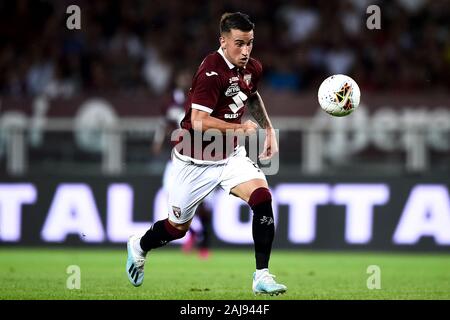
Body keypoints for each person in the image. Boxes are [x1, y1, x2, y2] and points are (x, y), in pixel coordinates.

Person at [126, 12, 287, 295]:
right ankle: (139, 245)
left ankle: (261, 275)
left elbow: (251, 94)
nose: (246, 50)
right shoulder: (211, 71)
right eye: (239, 43)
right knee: (177, 229)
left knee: (262, 198)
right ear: (223, 41)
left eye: (250, 43)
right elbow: (199, 121)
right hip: (193, 162)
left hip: (229, 157)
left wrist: (269, 129)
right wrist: (238, 128)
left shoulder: (252, 68)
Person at [152, 69, 213, 259]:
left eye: (188, 77)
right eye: (183, 76)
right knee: (170, 195)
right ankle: (194, 232)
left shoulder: (203, 99)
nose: (185, 80)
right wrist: (157, 141)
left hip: (200, 159)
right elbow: (163, 124)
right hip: (177, 158)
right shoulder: (170, 103)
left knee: (203, 202)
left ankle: (204, 242)